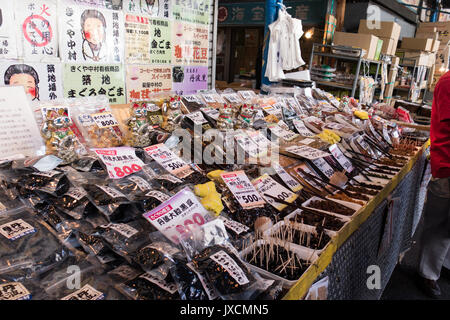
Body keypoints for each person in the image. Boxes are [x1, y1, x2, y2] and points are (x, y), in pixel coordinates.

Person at [417, 70, 450, 298]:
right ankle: (427, 273)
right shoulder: (448, 82)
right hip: (448, 162)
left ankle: (442, 265)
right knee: (439, 222)